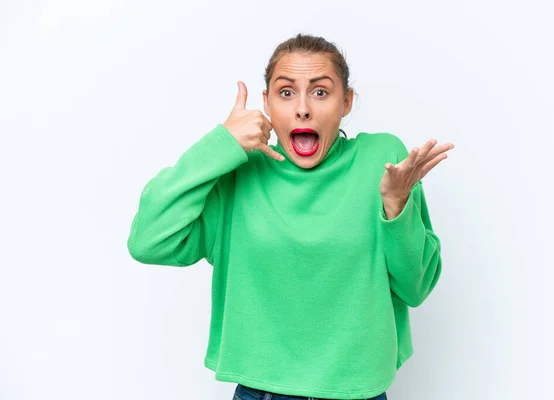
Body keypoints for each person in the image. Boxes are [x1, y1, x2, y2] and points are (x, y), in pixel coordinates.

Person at [127, 33, 454, 400]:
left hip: (358, 392)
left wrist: (396, 205)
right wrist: (222, 142)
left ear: (346, 102)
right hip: (261, 392)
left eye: (320, 92)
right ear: (266, 104)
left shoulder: (383, 161)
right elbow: (147, 240)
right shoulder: (239, 171)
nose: (302, 109)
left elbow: (417, 286)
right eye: (286, 92)